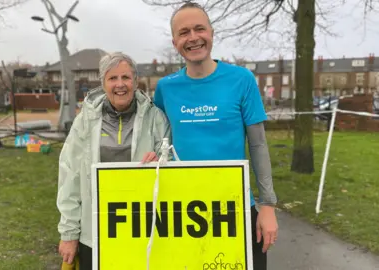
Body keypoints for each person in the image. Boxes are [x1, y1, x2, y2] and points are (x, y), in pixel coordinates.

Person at [153, 2, 278, 270]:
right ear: (175, 41)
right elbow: (158, 140)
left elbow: (258, 144)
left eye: (199, 29)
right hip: (183, 212)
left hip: (236, 208)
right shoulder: (165, 88)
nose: (193, 37)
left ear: (211, 32)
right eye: (184, 32)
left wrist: (267, 205)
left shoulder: (242, 79)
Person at [56, 52, 171, 270]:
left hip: (143, 233)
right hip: (94, 235)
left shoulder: (155, 118)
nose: (120, 85)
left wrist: (161, 160)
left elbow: (172, 165)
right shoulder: (85, 121)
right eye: (112, 78)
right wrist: (69, 233)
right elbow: (70, 175)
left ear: (136, 81)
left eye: (126, 78)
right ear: (103, 83)